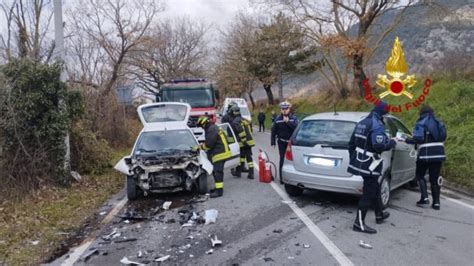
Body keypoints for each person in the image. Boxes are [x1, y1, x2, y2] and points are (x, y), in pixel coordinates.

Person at [348, 102, 396, 234]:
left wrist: (354, 160)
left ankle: (379, 214)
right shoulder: (377, 125)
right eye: (386, 114)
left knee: (374, 187)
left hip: (360, 161)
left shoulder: (362, 122)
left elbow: (351, 144)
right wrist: (392, 142)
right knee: (368, 193)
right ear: (383, 114)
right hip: (370, 164)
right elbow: (379, 146)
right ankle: (359, 223)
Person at [405, 105, 446, 210]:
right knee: (434, 178)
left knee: (419, 175)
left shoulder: (420, 123)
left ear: (422, 113)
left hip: (426, 154)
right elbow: (443, 136)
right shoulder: (439, 122)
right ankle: (436, 203)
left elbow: (418, 139)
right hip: (439, 153)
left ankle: (425, 198)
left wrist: (407, 140)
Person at [196, 116, 232, 198]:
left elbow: (209, 145)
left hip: (220, 154)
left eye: (201, 126)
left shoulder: (211, 129)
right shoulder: (213, 128)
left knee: (217, 172)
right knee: (216, 172)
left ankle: (219, 192)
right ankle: (217, 188)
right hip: (221, 152)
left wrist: (200, 147)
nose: (202, 128)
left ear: (204, 124)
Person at [271, 101, 299, 184]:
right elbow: (273, 131)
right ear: (280, 110)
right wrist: (273, 142)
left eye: (286, 108)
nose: (284, 110)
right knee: (282, 160)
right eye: (282, 109)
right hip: (281, 142)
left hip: (291, 143)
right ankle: (282, 178)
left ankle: (294, 178)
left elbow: (296, 129)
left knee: (292, 160)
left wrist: (288, 122)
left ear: (289, 109)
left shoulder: (294, 118)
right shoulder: (277, 120)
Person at [230, 105, 255, 179]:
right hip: (249, 141)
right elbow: (250, 129)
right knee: (246, 157)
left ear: (234, 112)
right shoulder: (244, 119)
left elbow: (241, 131)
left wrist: (244, 141)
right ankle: (251, 174)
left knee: (240, 157)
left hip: (243, 142)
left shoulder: (235, 121)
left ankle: (238, 172)